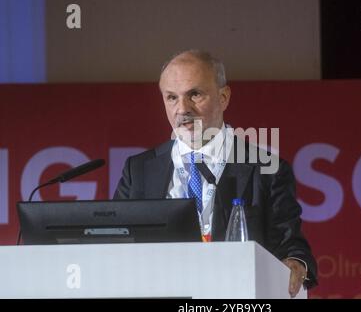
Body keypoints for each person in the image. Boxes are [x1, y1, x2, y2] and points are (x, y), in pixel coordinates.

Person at [114, 50, 318, 296]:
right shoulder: (139, 170)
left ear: (223, 97)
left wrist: (295, 264)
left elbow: (290, 245)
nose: (182, 109)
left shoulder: (266, 169)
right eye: (171, 97)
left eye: (195, 94)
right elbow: (117, 243)